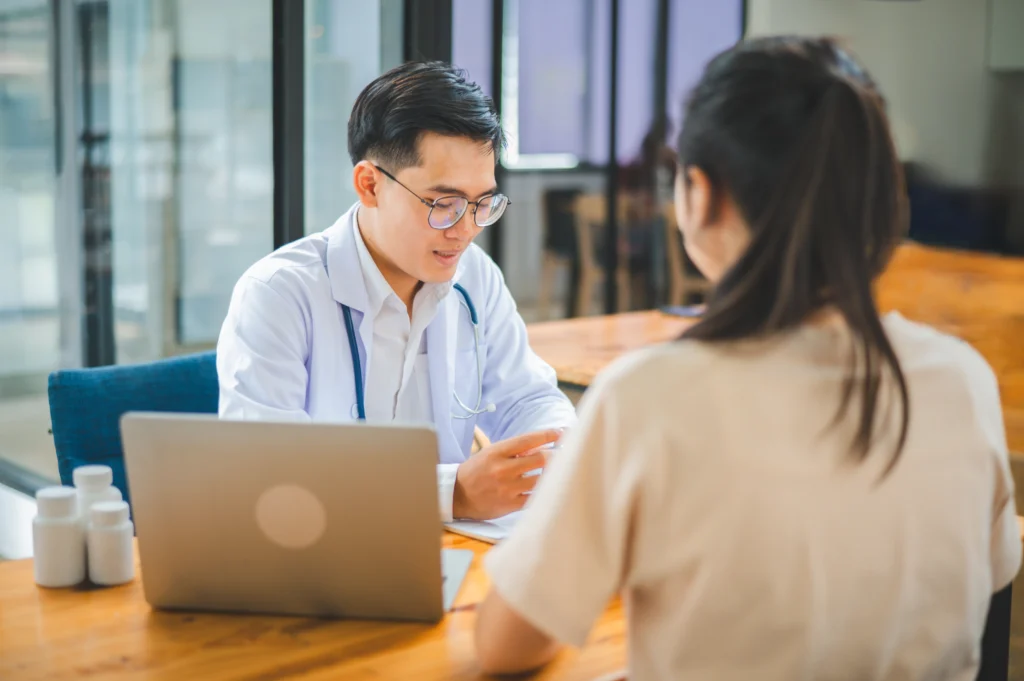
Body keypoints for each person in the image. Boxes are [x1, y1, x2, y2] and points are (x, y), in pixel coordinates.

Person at [475, 37, 1022, 679]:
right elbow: (992, 574)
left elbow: (506, 645)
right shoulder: (961, 381)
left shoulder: (650, 398)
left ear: (700, 194)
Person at [217, 62, 576, 522]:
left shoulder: (474, 277)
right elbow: (266, 474)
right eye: (443, 204)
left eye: (481, 203)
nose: (465, 230)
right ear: (370, 185)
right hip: (326, 555)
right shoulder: (278, 295)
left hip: (456, 545)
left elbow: (528, 398)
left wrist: (553, 453)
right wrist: (452, 493)